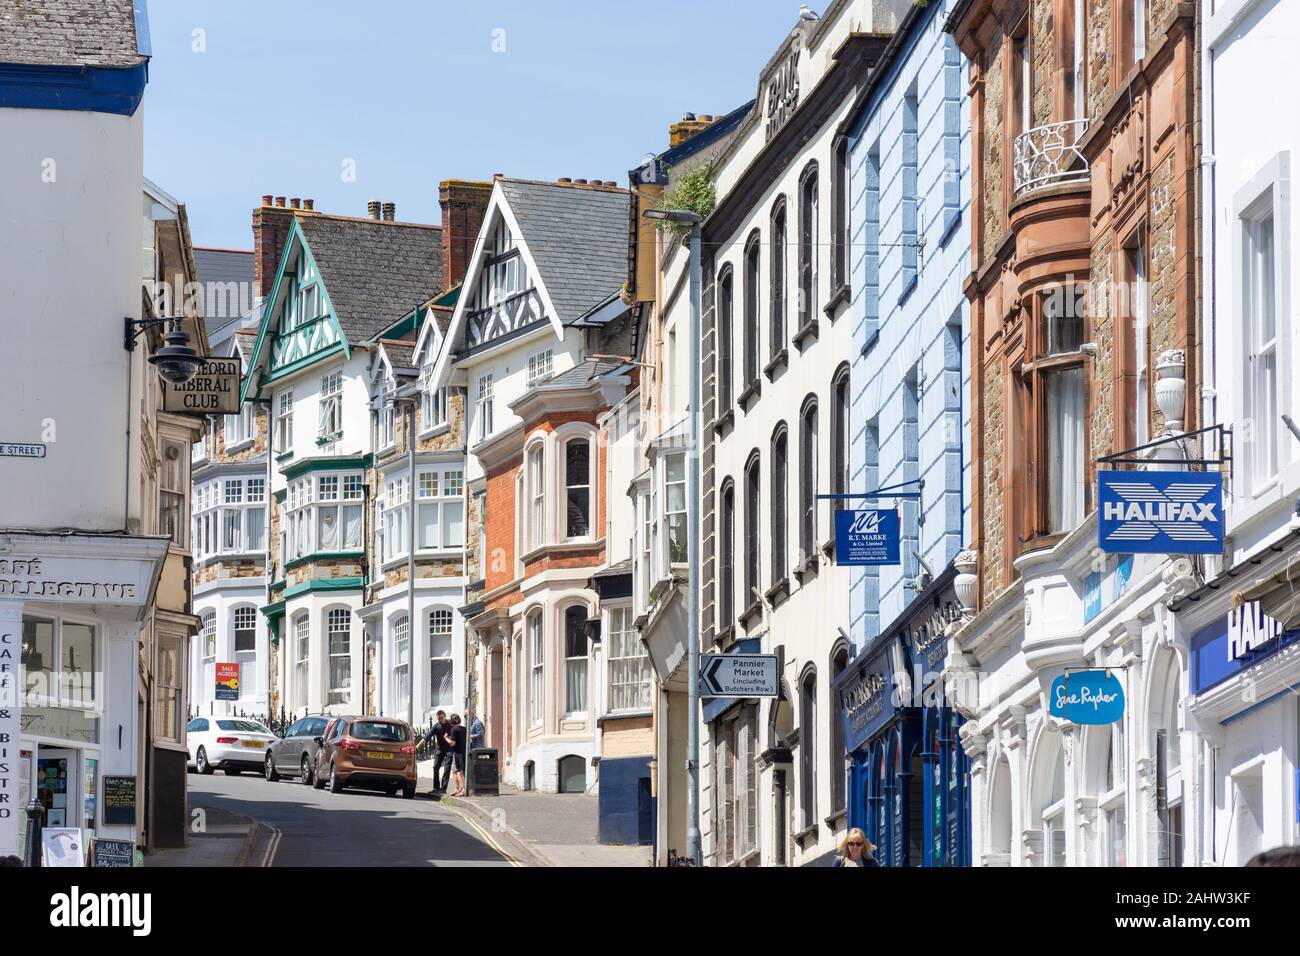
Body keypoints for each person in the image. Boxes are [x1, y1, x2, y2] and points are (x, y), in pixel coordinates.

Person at [430, 710, 454, 794]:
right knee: (435, 767)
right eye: (439, 718)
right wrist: (418, 745)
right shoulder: (436, 726)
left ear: (445, 716)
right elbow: (428, 736)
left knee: (447, 769)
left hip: (449, 749)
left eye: (442, 718)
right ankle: (436, 787)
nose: (440, 720)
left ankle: (443, 789)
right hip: (440, 749)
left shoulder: (450, 724)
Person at [446, 714, 469, 797]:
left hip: (457, 752)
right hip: (464, 751)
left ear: (453, 721)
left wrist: (446, 738)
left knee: (459, 771)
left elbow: (452, 743)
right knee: (455, 771)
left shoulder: (454, 729)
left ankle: (463, 789)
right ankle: (457, 789)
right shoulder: (465, 729)